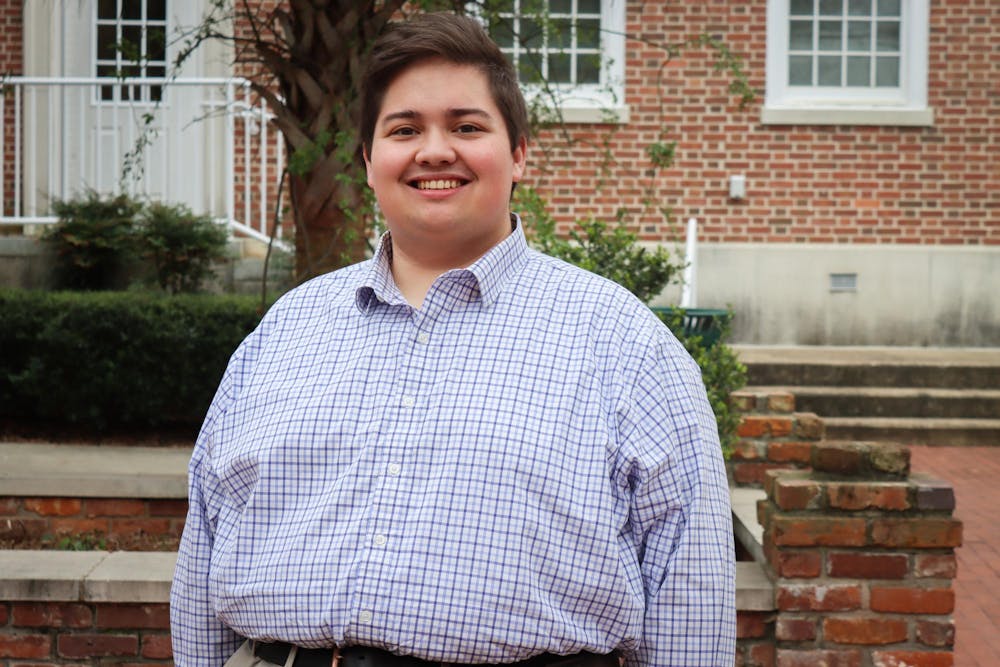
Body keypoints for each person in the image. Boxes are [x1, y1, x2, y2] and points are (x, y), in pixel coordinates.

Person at [170, 11, 735, 667]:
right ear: (368, 158)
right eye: (404, 129)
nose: (434, 150)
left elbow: (686, 586)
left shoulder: (625, 344)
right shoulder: (286, 331)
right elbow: (204, 545)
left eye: (466, 126)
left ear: (519, 152)